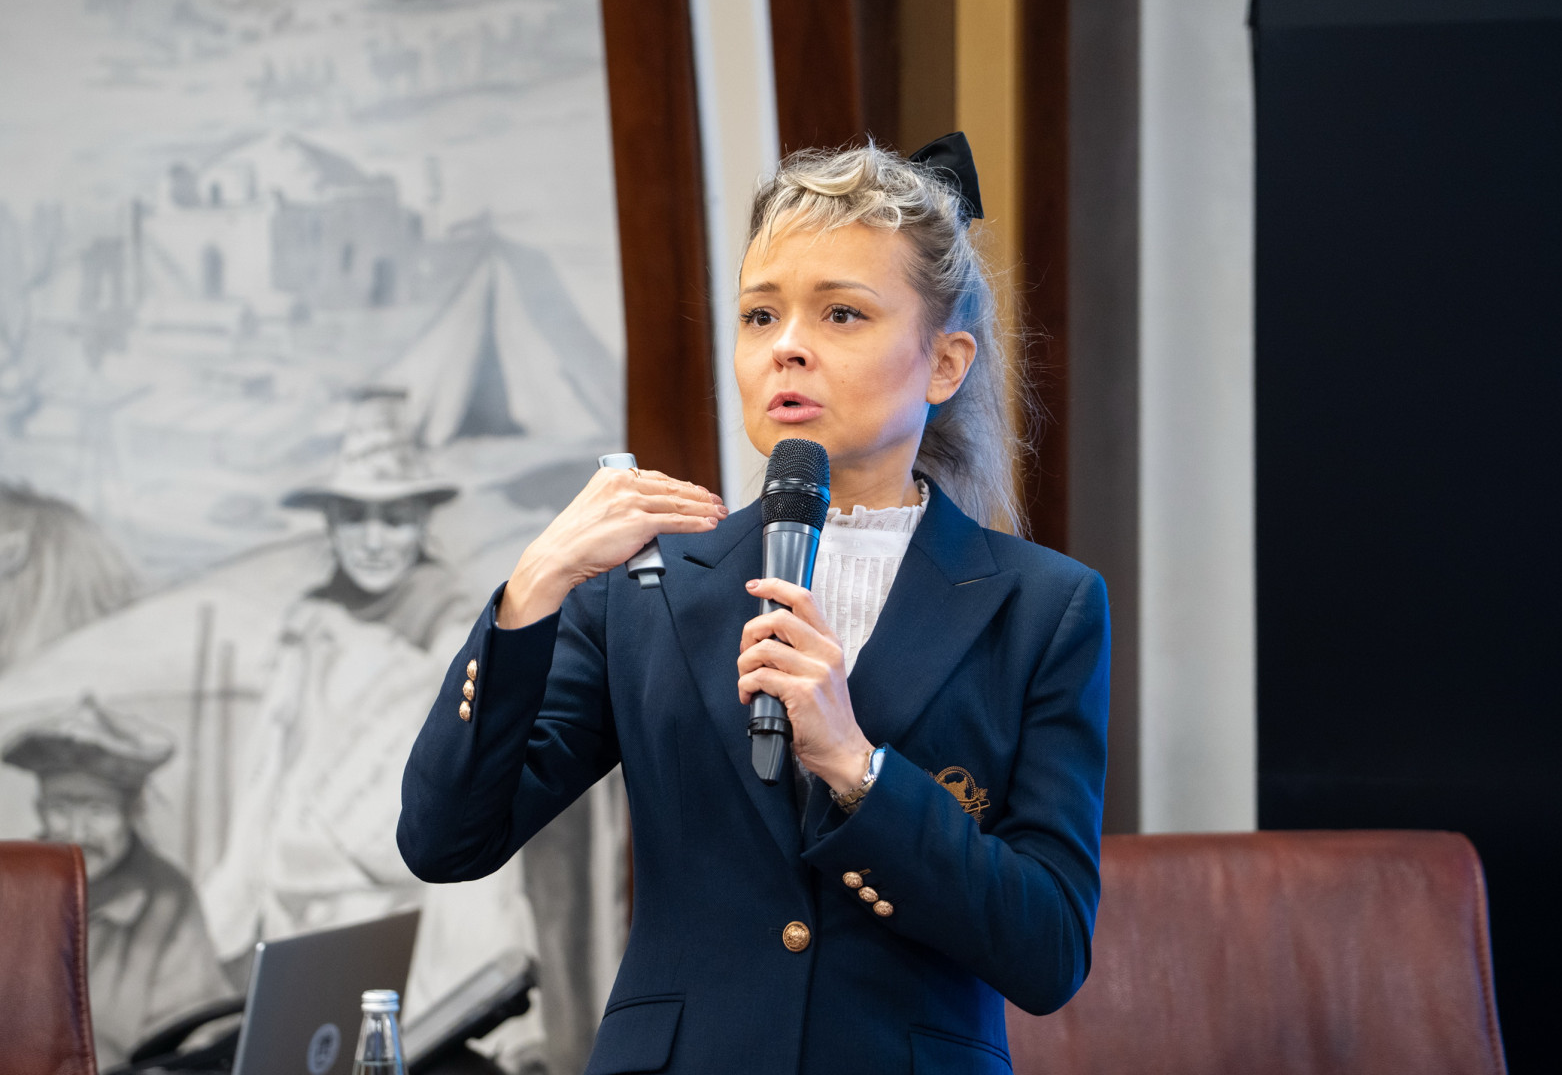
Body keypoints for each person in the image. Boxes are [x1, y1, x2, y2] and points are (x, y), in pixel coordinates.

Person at [398, 134, 1109, 1075]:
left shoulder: (1044, 608)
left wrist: (858, 770)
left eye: (841, 313)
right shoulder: (645, 585)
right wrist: (529, 594)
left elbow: (1048, 951)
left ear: (944, 364)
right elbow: (446, 841)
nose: (787, 348)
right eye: (759, 314)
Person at [200, 389, 545, 1063]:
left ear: (422, 524)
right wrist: (243, 886)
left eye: (395, 519)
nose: (374, 540)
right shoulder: (309, 626)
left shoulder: (456, 632)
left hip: (410, 907)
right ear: (330, 525)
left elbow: (464, 792)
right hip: (303, 908)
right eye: (354, 518)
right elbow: (270, 766)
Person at [2, 694, 234, 1068]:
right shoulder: (12, 886)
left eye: (98, 810)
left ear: (131, 812)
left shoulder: (166, 897)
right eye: (60, 809)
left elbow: (198, 1030)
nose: (77, 833)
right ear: (40, 810)